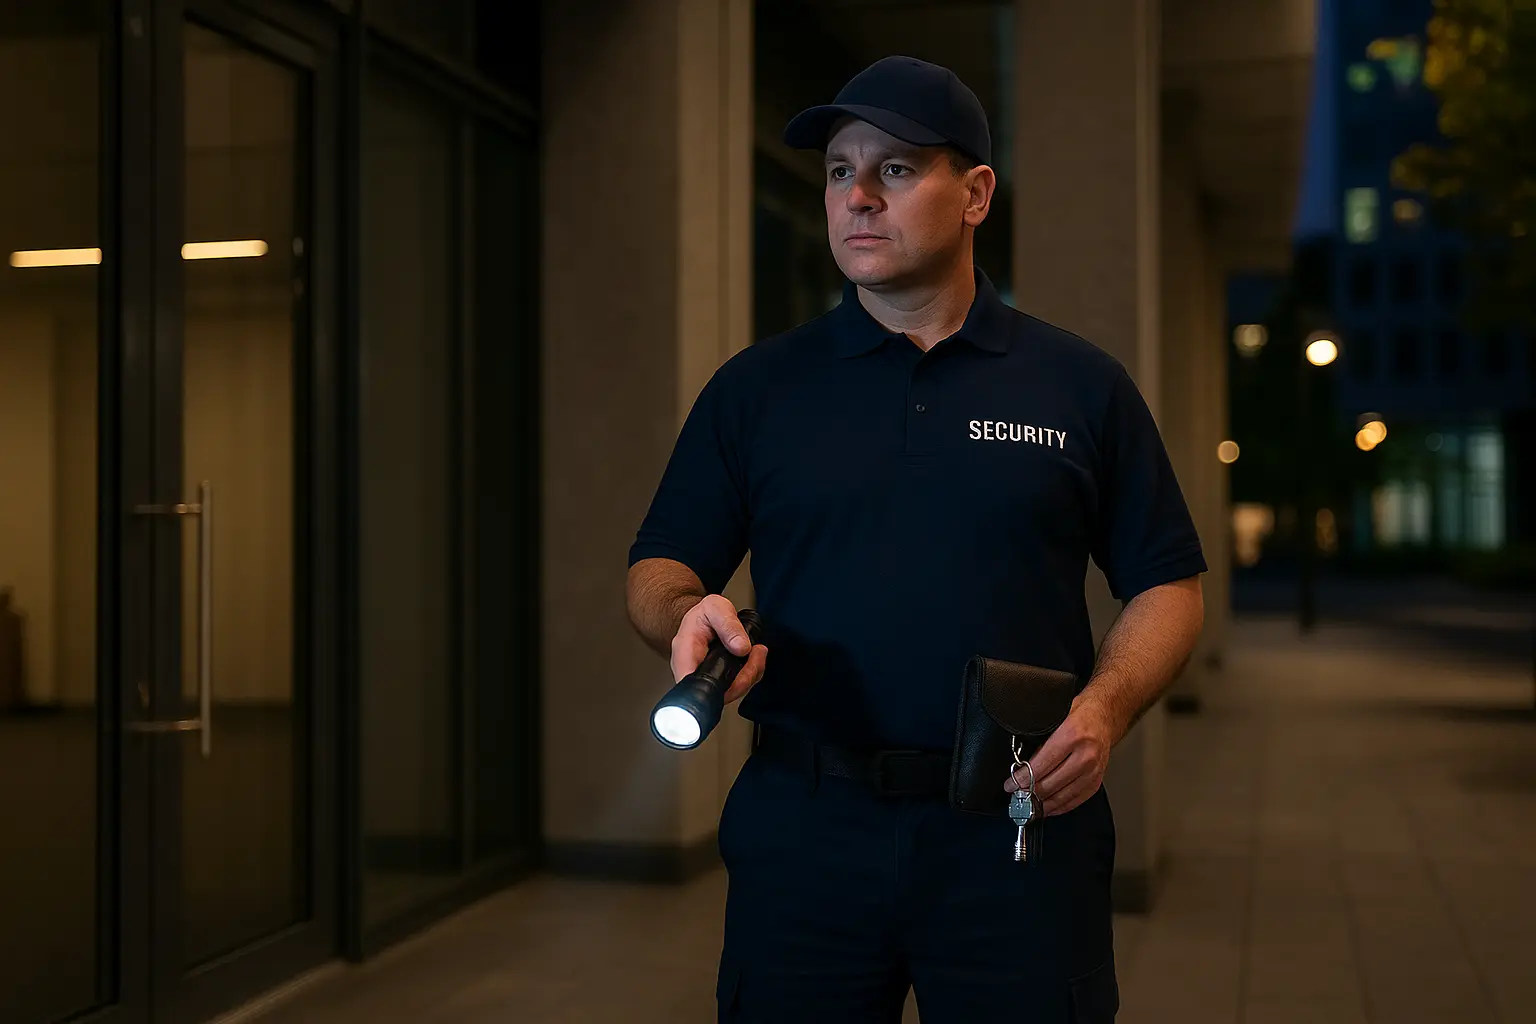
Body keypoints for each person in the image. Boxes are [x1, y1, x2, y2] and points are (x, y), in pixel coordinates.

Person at [625, 54, 1205, 1024]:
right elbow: (658, 568)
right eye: (838, 170)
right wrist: (687, 615)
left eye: (894, 169)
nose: (855, 196)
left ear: (976, 192)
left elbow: (1170, 584)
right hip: (806, 829)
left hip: (1016, 832)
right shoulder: (758, 390)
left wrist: (1104, 711)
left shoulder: (1077, 386)